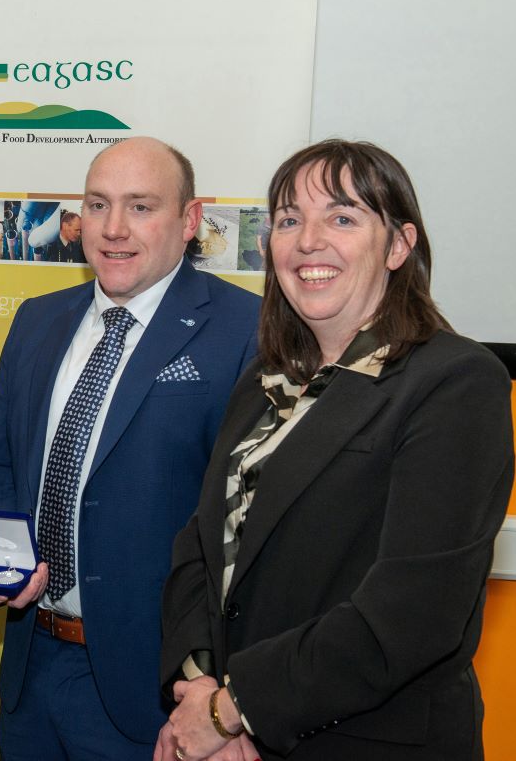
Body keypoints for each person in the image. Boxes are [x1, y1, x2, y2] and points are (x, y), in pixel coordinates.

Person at [157, 140, 514, 761]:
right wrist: (199, 689)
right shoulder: (266, 380)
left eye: (342, 218)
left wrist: (233, 710)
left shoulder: (455, 382)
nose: (308, 240)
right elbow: (200, 548)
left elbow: (414, 613)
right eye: (290, 219)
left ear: (399, 246)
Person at [0, 137, 260, 760]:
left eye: (141, 207)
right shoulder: (37, 319)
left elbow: (248, 525)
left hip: (157, 689)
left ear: (190, 220)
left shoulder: (245, 330)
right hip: (30, 665)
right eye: (98, 206)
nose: (114, 229)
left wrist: (220, 695)